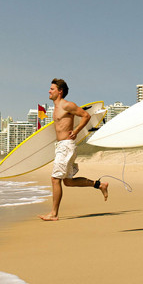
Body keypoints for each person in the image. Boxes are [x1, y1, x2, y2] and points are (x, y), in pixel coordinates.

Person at [39, 78, 108, 221]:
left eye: (52, 89)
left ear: (60, 91)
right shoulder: (56, 108)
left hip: (65, 146)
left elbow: (86, 115)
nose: (49, 91)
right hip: (61, 146)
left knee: (55, 179)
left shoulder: (67, 105)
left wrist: (76, 131)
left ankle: (54, 214)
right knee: (68, 181)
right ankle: (99, 185)